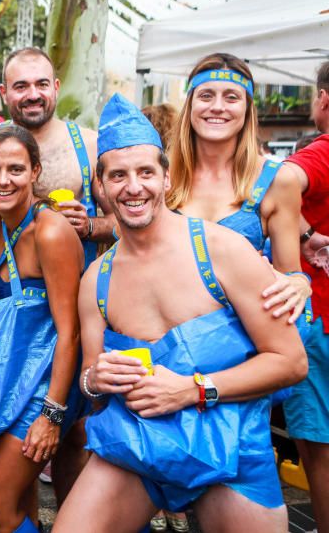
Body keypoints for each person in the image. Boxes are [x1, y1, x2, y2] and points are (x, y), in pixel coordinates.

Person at [54, 94, 307, 533]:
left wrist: (194, 390)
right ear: (100, 187)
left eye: (146, 172)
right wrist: (94, 379)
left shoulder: (223, 250)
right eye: (118, 175)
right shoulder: (97, 279)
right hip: (139, 445)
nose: (133, 187)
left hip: (233, 447)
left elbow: (290, 361)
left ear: (167, 178)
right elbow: (92, 382)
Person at [163, 54, 311, 533]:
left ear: (248, 109)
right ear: (189, 104)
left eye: (231, 97)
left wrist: (299, 282)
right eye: (206, 95)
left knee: (234, 494)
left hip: (238, 369)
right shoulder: (164, 177)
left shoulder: (277, 180)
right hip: (168, 355)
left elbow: (290, 271)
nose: (217, 107)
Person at [0, 47, 110, 500]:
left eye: (41, 84)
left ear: (55, 88)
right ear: (4, 92)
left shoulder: (88, 144)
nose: (33, 95)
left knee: (77, 441)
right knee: (11, 474)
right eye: (21, 86)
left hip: (79, 321)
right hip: (14, 324)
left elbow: (138, 216)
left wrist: (90, 224)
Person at [0, 125, 82, 533]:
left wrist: (52, 415)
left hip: (47, 384)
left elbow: (71, 332)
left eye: (15, 169)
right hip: (6, 376)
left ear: (35, 172)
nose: (3, 180)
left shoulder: (50, 231)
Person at [281, 59, 329, 533]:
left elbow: (281, 184)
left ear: (323, 100)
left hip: (318, 315)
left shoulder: (323, 151)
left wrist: (308, 233)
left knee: (319, 450)